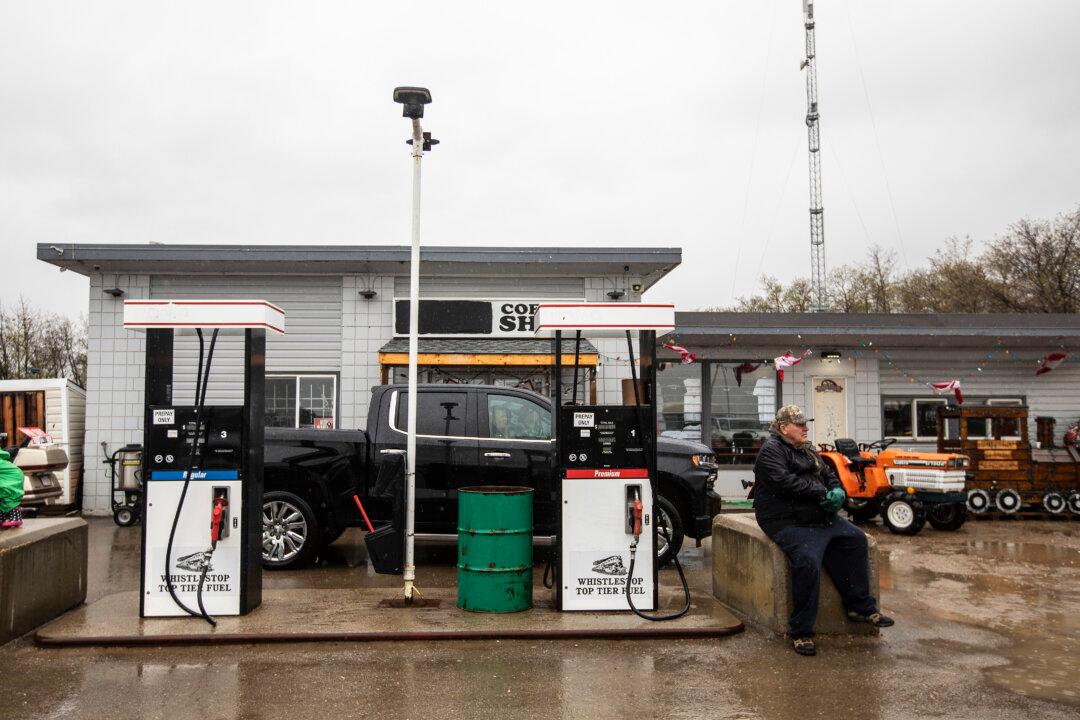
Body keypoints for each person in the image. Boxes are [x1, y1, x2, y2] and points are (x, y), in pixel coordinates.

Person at [752, 404, 893, 655]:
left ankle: (859, 606)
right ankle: (801, 631)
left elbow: (828, 473)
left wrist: (837, 490)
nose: (806, 428)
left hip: (818, 515)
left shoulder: (808, 449)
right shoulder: (771, 451)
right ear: (784, 428)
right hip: (786, 520)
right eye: (800, 424)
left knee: (856, 540)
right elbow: (785, 482)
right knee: (807, 560)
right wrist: (823, 493)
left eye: (806, 424)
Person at [0, 448, 25, 529]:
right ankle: (2, 518)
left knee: (9, 496)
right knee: (2, 496)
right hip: (10, 476)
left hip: (13, 478)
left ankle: (16, 518)